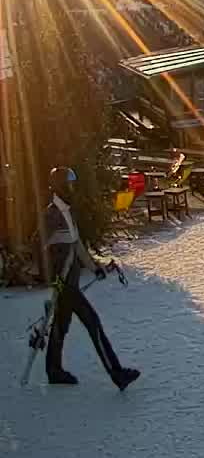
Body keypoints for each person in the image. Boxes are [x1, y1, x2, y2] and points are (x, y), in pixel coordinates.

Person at [42, 167, 139, 389]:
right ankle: (117, 374)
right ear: (60, 186)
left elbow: (76, 245)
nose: (73, 189)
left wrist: (93, 267)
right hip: (64, 282)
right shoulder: (51, 215)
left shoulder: (68, 211)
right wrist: (51, 275)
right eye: (70, 184)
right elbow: (40, 247)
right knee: (93, 323)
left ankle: (53, 370)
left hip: (71, 279)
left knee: (61, 324)